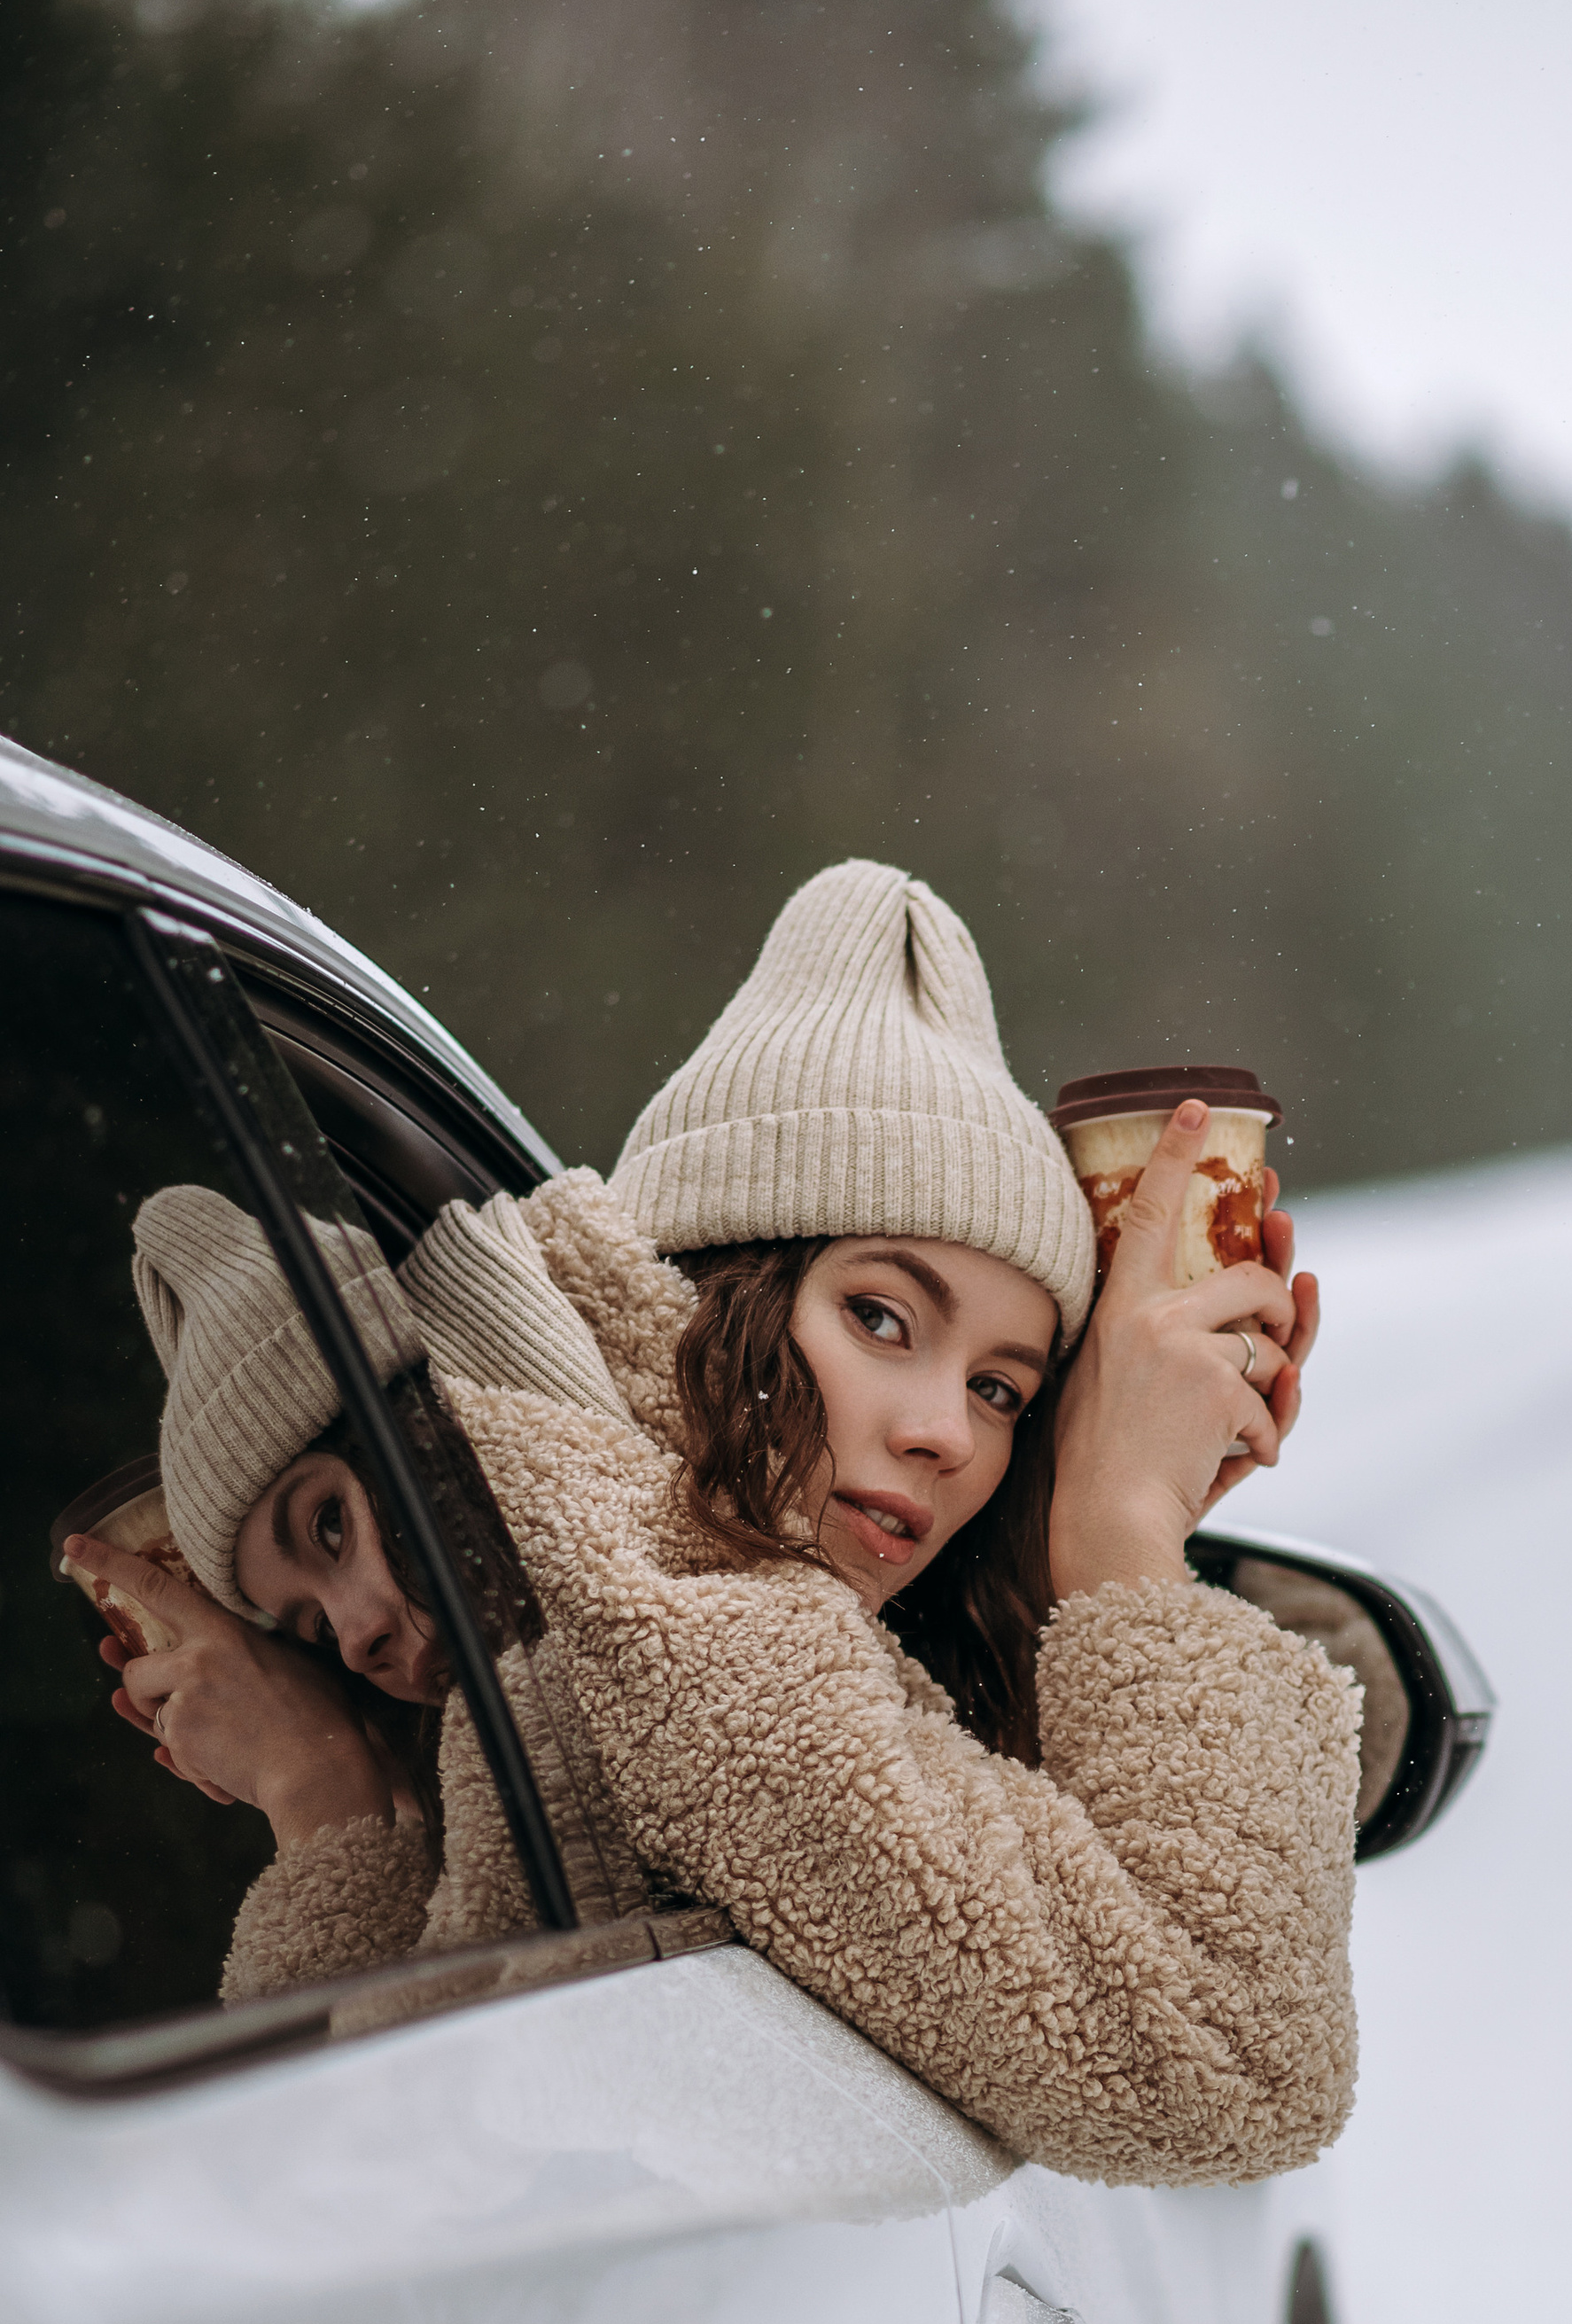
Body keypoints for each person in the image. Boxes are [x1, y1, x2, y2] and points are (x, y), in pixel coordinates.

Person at [89, 861, 1361, 2185]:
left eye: (1002, 1391)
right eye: (880, 1316)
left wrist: (330, 1806)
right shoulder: (682, 1633)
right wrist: (1123, 1532)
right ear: (714, 1293)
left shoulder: (638, 1590)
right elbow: (1230, 2069)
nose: (945, 1431)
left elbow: (347, 2168)